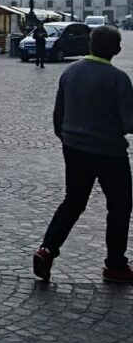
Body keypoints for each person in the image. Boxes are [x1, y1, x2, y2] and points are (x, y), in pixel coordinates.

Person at [33, 26, 133, 283]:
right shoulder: (118, 78)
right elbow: (128, 123)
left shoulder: (71, 71)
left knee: (73, 202)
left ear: (90, 45)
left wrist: (68, 137)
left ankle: (47, 250)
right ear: (117, 50)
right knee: (119, 206)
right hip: (109, 152)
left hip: (74, 148)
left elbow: (58, 115)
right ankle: (115, 265)